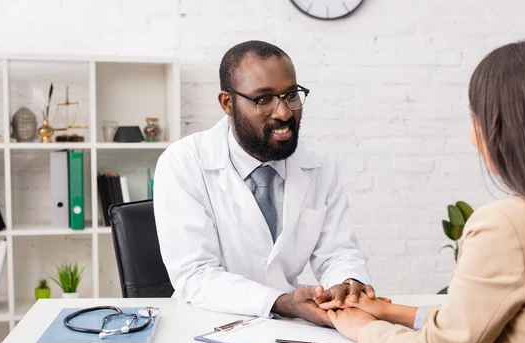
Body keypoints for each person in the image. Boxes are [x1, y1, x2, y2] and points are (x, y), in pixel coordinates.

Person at [324, 38, 525, 343]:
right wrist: (390, 311)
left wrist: (364, 329)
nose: (473, 137)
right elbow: (495, 320)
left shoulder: (509, 226)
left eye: (475, 117)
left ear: (500, 129)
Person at [153, 40, 375, 327]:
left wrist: (347, 281)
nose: (284, 113)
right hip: (207, 325)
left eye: (291, 95)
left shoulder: (320, 168)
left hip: (290, 326)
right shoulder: (183, 163)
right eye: (264, 99)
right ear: (227, 103)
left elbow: (338, 251)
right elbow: (195, 275)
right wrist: (281, 302)